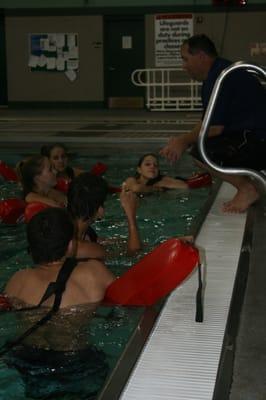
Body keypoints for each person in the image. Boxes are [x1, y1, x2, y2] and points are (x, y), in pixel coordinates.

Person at [3, 207, 115, 399]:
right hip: (75, 363)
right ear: (72, 246)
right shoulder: (94, 273)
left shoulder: (16, 280)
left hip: (26, 361)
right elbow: (128, 302)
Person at [160, 34, 266, 213]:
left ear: (201, 56)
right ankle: (250, 184)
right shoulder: (220, 72)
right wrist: (182, 139)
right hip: (255, 136)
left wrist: (184, 141)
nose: (183, 66)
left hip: (259, 140)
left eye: (186, 59)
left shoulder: (221, 77)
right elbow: (207, 122)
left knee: (201, 152)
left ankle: (247, 189)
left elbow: (214, 129)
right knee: (199, 143)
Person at [67, 172, 142, 256]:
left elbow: (121, 244)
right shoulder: (82, 249)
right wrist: (131, 215)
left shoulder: (85, 233)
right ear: (100, 211)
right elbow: (134, 254)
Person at [123, 153, 188, 193]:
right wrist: (155, 189)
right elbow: (136, 189)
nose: (152, 166)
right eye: (147, 164)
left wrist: (165, 184)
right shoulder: (132, 180)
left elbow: (184, 186)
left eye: (155, 165)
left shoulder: (162, 180)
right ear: (139, 170)